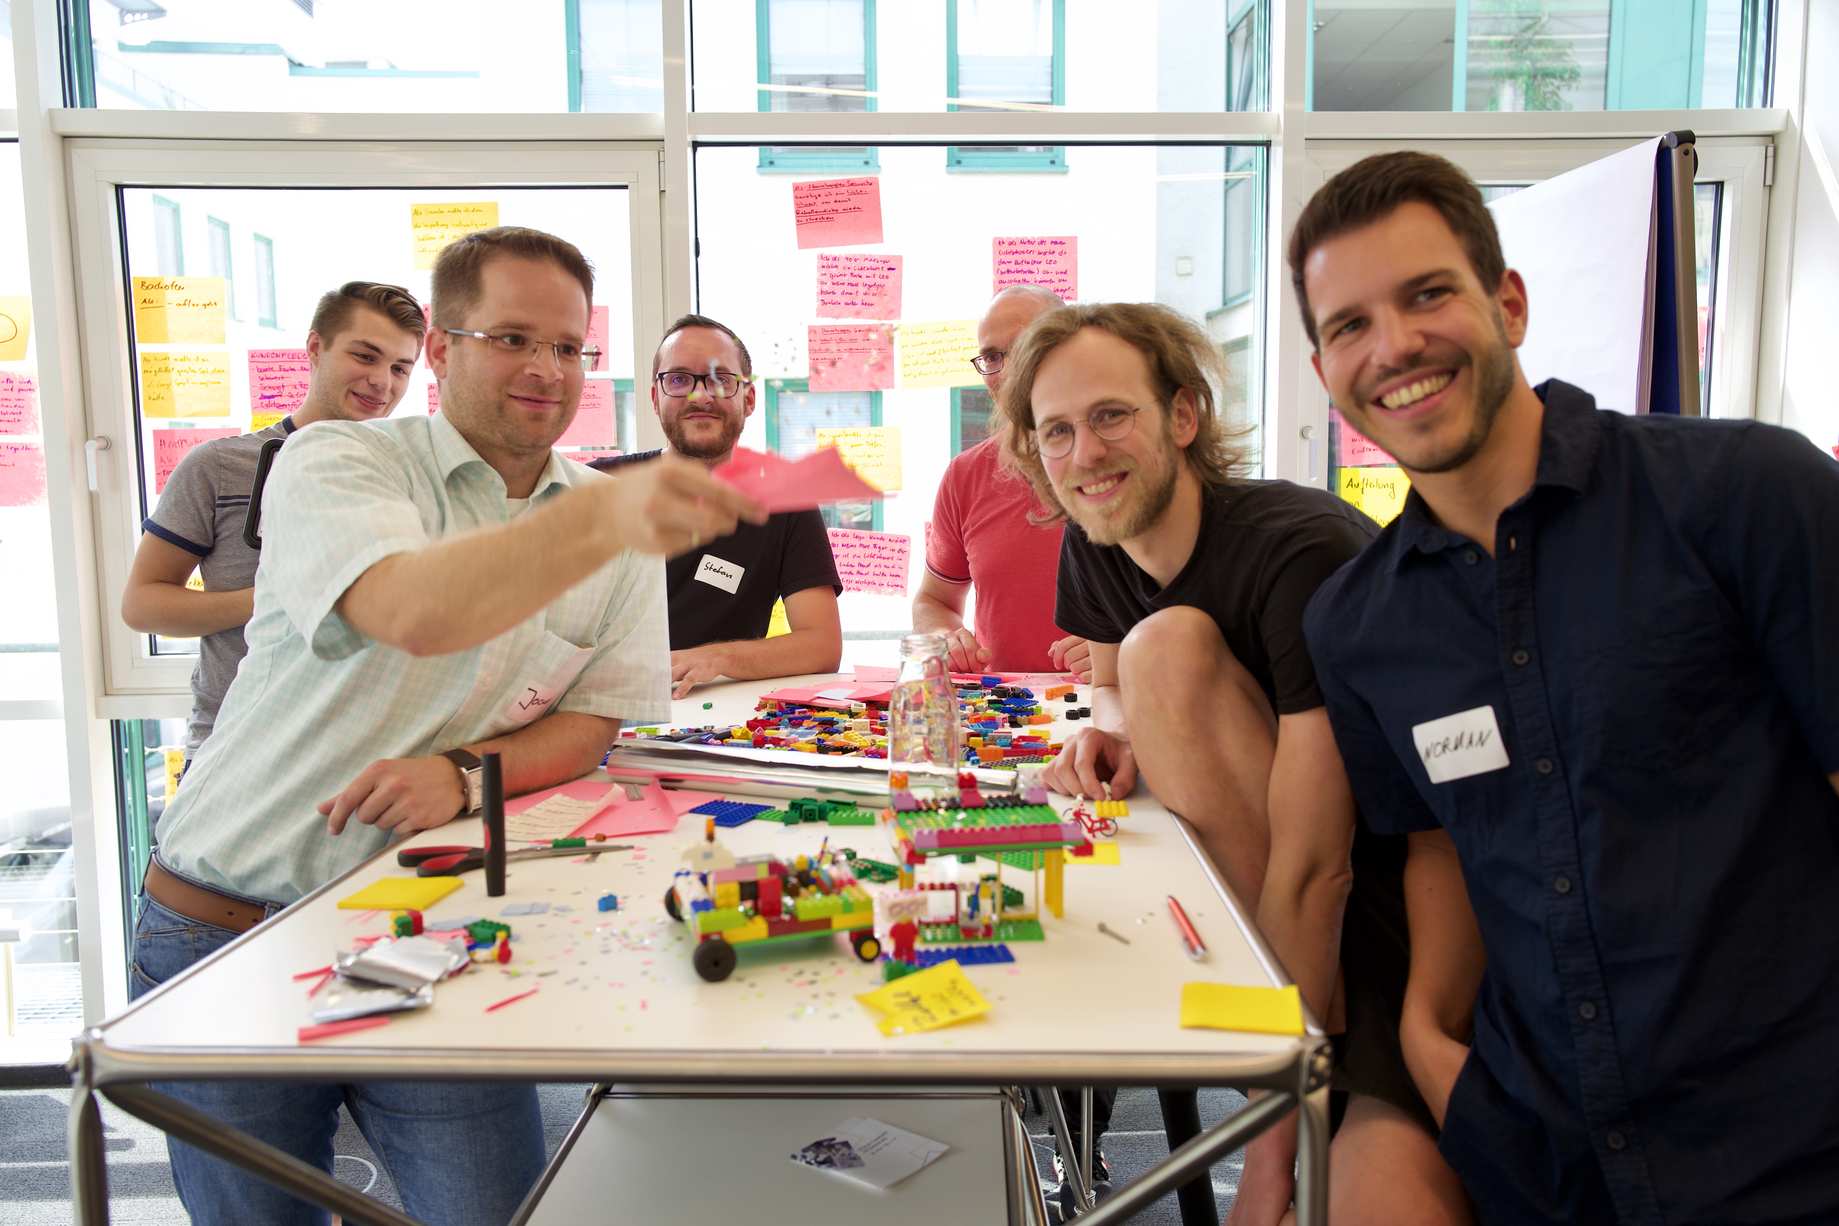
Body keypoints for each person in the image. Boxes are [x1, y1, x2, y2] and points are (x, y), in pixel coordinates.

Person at [130, 227, 764, 1226]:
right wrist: (611, 519)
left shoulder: (606, 514)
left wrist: (466, 773)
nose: (545, 369)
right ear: (440, 348)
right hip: (231, 929)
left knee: (493, 1209)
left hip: (435, 940)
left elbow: (591, 722)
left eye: (567, 347)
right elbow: (413, 609)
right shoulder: (337, 461)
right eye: (512, 337)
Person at [1296, 151, 1839, 1225]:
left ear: (1509, 303)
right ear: (1323, 371)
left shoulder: (1746, 494)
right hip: (1544, 1156)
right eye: (1348, 324)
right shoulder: (1357, 623)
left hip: (1789, 1149)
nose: (1395, 345)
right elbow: (1439, 843)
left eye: (1428, 294)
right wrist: (1427, 1033)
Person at [997, 301, 1469, 1226]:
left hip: (1394, 930)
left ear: (1182, 417)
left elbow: (1318, 867)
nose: (1084, 454)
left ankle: (1306, 1100)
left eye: (1110, 415)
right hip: (1269, 919)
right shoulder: (1096, 543)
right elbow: (1108, 681)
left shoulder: (1299, 550)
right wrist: (1112, 730)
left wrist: (1265, 1165)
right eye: (1056, 431)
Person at [120, 281, 426, 765]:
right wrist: (281, 601)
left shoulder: (414, 476)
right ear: (315, 348)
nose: (381, 382)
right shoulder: (220, 466)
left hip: (365, 750)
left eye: (400, 368)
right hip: (238, 747)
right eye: (365, 357)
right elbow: (143, 605)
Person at [592, 314, 841, 697]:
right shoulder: (597, 489)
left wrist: (716, 659)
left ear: (749, 398)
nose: (701, 396)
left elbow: (822, 646)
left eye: (720, 380)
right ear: (655, 398)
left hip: (716, 723)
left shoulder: (786, 504)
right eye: (678, 380)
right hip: (599, 711)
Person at [912, 286, 1090, 679]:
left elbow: (1191, 609)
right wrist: (947, 637)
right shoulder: (965, 475)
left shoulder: (1119, 463)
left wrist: (1121, 643)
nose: (1010, 371)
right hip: (1003, 715)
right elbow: (932, 600)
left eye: (1026, 347)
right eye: (993, 357)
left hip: (1110, 704)